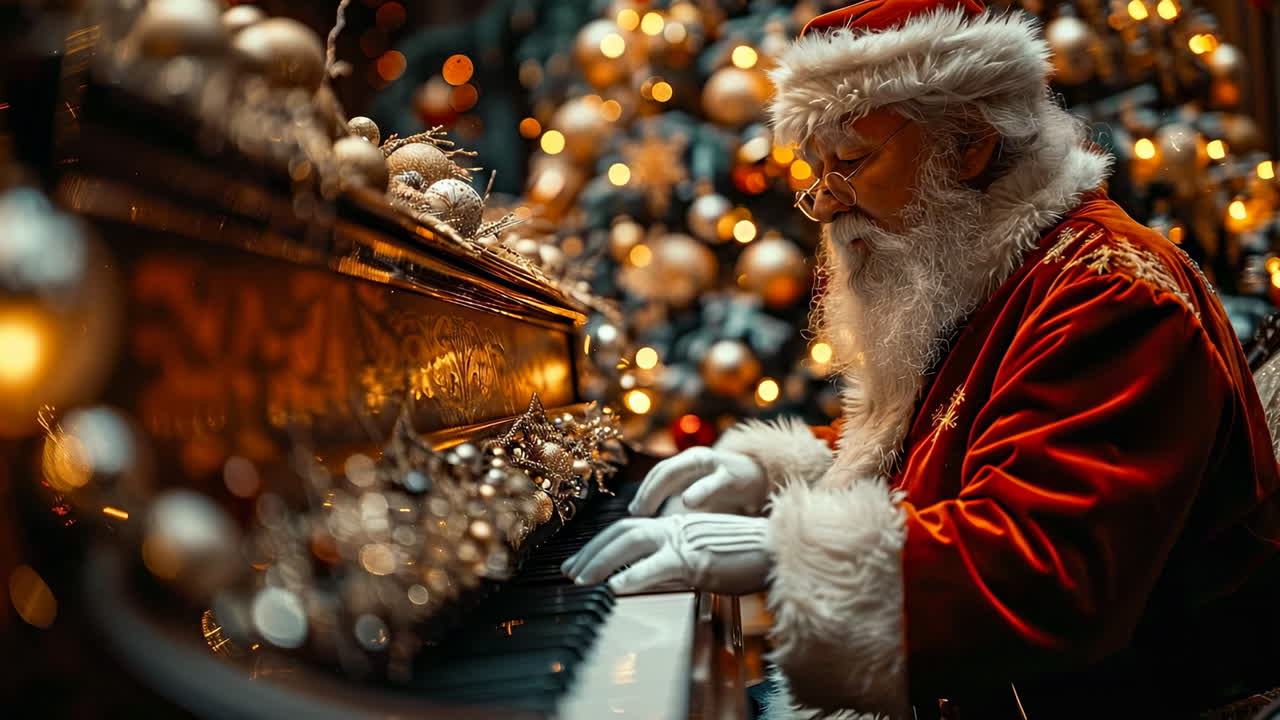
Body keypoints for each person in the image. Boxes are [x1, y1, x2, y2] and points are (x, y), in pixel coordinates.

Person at [561, 0, 1280, 717]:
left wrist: (788, 548)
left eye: (849, 160)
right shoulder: (998, 262)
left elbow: (1046, 571)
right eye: (817, 170)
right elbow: (954, 437)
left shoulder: (1111, 291)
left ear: (968, 141)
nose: (823, 205)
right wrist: (772, 474)